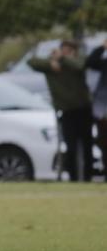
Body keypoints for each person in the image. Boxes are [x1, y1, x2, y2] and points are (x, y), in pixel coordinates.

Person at [29, 38, 94, 181]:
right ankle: (73, 178)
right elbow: (32, 62)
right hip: (67, 111)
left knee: (87, 146)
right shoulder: (52, 64)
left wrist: (63, 58)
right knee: (70, 147)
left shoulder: (77, 60)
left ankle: (88, 177)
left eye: (68, 50)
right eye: (63, 49)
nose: (65, 52)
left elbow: (79, 66)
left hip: (83, 109)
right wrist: (51, 61)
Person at [88, 42, 107, 177]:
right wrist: (102, 47)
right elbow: (90, 62)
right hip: (103, 108)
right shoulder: (105, 63)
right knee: (104, 142)